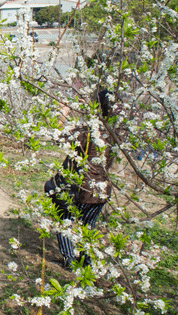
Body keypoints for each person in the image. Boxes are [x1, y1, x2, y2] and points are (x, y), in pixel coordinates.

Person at [55, 90, 114, 268]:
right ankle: (87, 262)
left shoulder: (88, 132)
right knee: (88, 228)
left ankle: (69, 259)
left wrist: (63, 112)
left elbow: (59, 136)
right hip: (103, 189)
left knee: (64, 219)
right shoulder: (115, 133)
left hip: (84, 189)